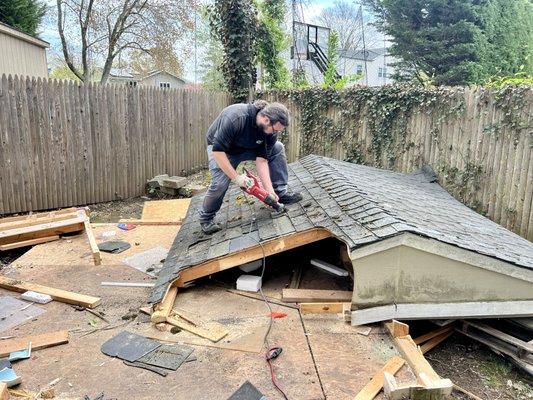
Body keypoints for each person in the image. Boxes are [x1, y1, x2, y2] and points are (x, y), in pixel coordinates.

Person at [198, 100, 303, 234]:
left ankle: (279, 193)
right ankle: (206, 218)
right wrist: (237, 178)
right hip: (222, 150)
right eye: (275, 130)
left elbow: (262, 160)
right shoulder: (236, 117)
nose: (274, 133)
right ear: (266, 119)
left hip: (248, 146)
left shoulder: (270, 132)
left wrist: (269, 191)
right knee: (219, 184)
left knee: (278, 147)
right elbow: (218, 152)